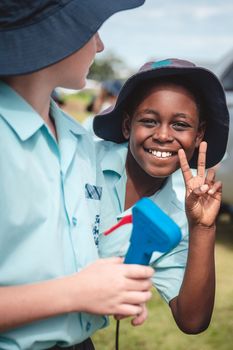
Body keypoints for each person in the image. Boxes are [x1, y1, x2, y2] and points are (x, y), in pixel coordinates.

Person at [0, 1, 154, 349]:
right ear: (54, 36)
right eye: (91, 30)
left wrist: (114, 285)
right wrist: (77, 293)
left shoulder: (80, 138)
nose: (99, 45)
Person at [93, 58, 230, 333]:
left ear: (199, 134)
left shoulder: (178, 219)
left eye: (180, 125)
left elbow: (192, 320)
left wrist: (203, 228)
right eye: (149, 121)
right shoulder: (84, 162)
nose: (164, 135)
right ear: (127, 126)